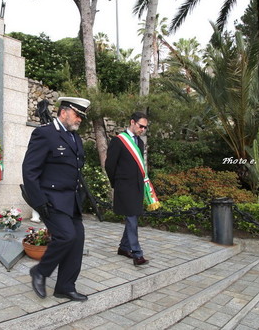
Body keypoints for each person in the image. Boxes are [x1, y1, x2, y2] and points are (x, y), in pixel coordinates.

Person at [22, 96, 90, 302]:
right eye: (77, 115)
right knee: (66, 236)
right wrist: (38, 202)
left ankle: (65, 286)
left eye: (81, 116)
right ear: (64, 112)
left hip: (71, 201)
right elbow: (29, 170)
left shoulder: (74, 137)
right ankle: (40, 271)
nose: (79, 119)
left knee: (77, 240)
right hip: (51, 199)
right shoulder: (45, 134)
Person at [105, 111, 160, 266]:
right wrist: (116, 183)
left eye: (145, 128)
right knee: (131, 218)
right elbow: (110, 165)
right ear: (132, 122)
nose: (142, 129)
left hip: (137, 186)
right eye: (141, 126)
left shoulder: (140, 143)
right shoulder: (119, 140)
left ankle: (123, 248)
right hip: (124, 186)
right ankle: (137, 254)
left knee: (133, 216)